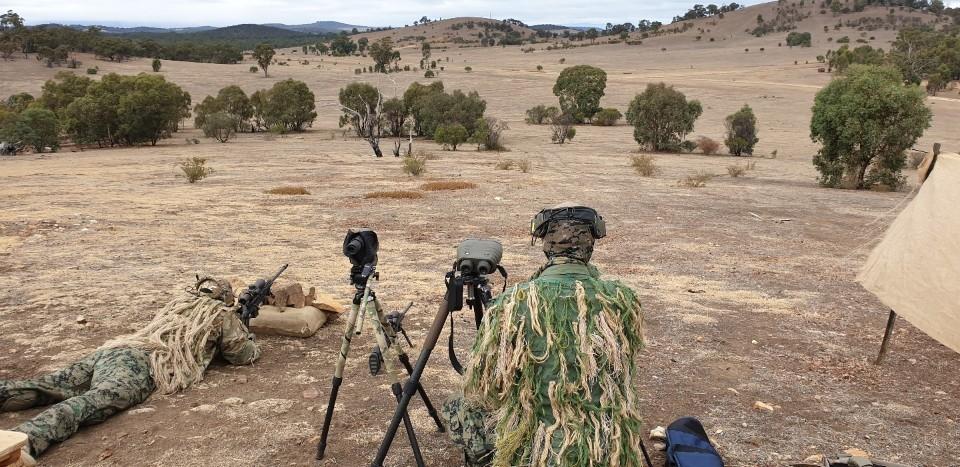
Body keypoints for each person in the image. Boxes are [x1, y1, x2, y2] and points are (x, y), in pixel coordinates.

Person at [442, 203, 647, 466]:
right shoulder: (623, 300)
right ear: (590, 246)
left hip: (540, 451)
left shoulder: (512, 303)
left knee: (458, 406)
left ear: (546, 246)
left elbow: (486, 388)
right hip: (608, 447)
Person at [0, 276, 261, 462]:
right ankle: (23, 442)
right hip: (141, 364)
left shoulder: (182, 303)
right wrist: (245, 331)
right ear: (225, 300)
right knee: (86, 405)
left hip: (115, 350)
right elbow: (240, 355)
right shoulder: (219, 314)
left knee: (47, 385)